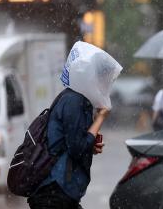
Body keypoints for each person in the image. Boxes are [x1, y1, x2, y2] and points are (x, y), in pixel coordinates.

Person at [27, 42, 121, 209]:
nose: (104, 85)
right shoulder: (74, 101)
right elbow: (77, 148)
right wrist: (100, 118)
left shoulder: (75, 99)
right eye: (102, 79)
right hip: (54, 191)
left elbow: (71, 143)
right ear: (90, 78)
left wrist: (90, 146)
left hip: (59, 193)